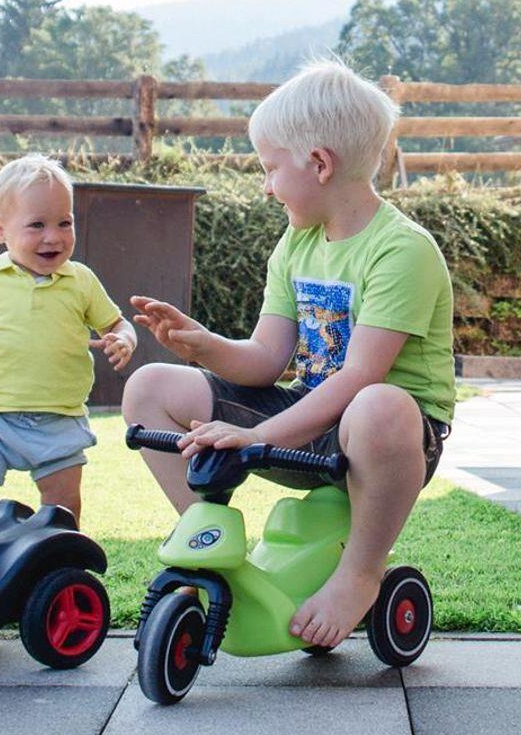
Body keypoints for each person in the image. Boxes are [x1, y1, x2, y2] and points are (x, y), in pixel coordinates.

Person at [123, 58, 456, 648]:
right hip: (307, 418)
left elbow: (360, 376)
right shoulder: (296, 242)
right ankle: (208, 548)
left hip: (389, 437)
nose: (265, 185)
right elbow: (265, 359)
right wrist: (203, 346)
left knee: (378, 404)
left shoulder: (402, 250)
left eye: (270, 168)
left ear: (319, 164)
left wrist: (257, 436)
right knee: (149, 386)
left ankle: (360, 574)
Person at [0, 153, 137, 525]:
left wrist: (124, 339)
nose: (53, 237)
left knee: (64, 510)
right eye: (37, 225)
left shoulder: (81, 281)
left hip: (59, 419)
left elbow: (117, 323)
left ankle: (62, 559)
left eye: (64, 222)